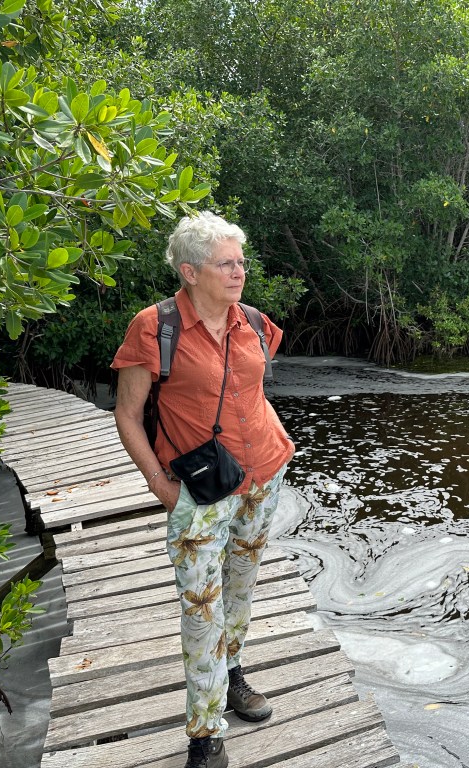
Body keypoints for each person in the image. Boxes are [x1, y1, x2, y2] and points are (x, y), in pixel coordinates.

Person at [112, 211, 294, 768]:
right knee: (199, 606)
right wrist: (159, 483)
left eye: (241, 261)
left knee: (240, 588)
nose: (239, 271)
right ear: (190, 271)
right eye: (226, 263)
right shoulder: (155, 327)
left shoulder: (257, 324)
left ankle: (232, 672)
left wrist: (273, 443)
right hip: (197, 493)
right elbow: (127, 413)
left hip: (264, 475)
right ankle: (205, 731)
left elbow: (252, 389)